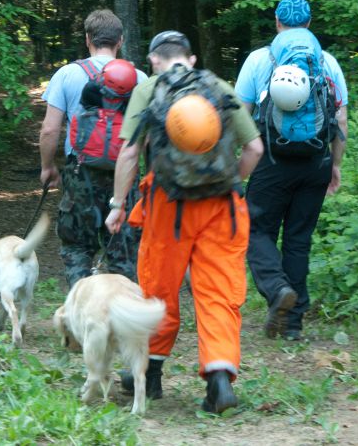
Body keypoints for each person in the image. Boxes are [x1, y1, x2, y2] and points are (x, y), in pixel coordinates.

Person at [105, 30, 264, 413]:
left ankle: (149, 373)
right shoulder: (218, 86)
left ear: (154, 61)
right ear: (191, 59)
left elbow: (129, 154)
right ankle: (220, 378)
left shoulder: (149, 89)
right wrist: (231, 183)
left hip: (168, 207)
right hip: (222, 209)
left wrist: (117, 204)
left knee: (158, 287)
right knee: (219, 292)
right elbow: (255, 148)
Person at [234, 0, 349, 341]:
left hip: (271, 160)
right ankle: (293, 325)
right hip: (316, 160)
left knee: (255, 229)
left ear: (277, 23)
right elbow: (340, 117)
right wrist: (336, 164)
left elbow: (240, 113)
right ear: (310, 24)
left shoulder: (259, 60)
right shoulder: (327, 62)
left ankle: (276, 288)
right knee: (299, 240)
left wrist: (239, 161)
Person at [39, 9, 148, 286]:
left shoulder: (67, 74)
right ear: (119, 40)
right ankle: (121, 316)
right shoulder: (140, 78)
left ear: (88, 38)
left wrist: (48, 167)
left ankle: (81, 313)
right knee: (123, 252)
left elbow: (50, 129)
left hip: (80, 174)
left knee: (77, 247)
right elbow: (149, 136)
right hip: (125, 176)